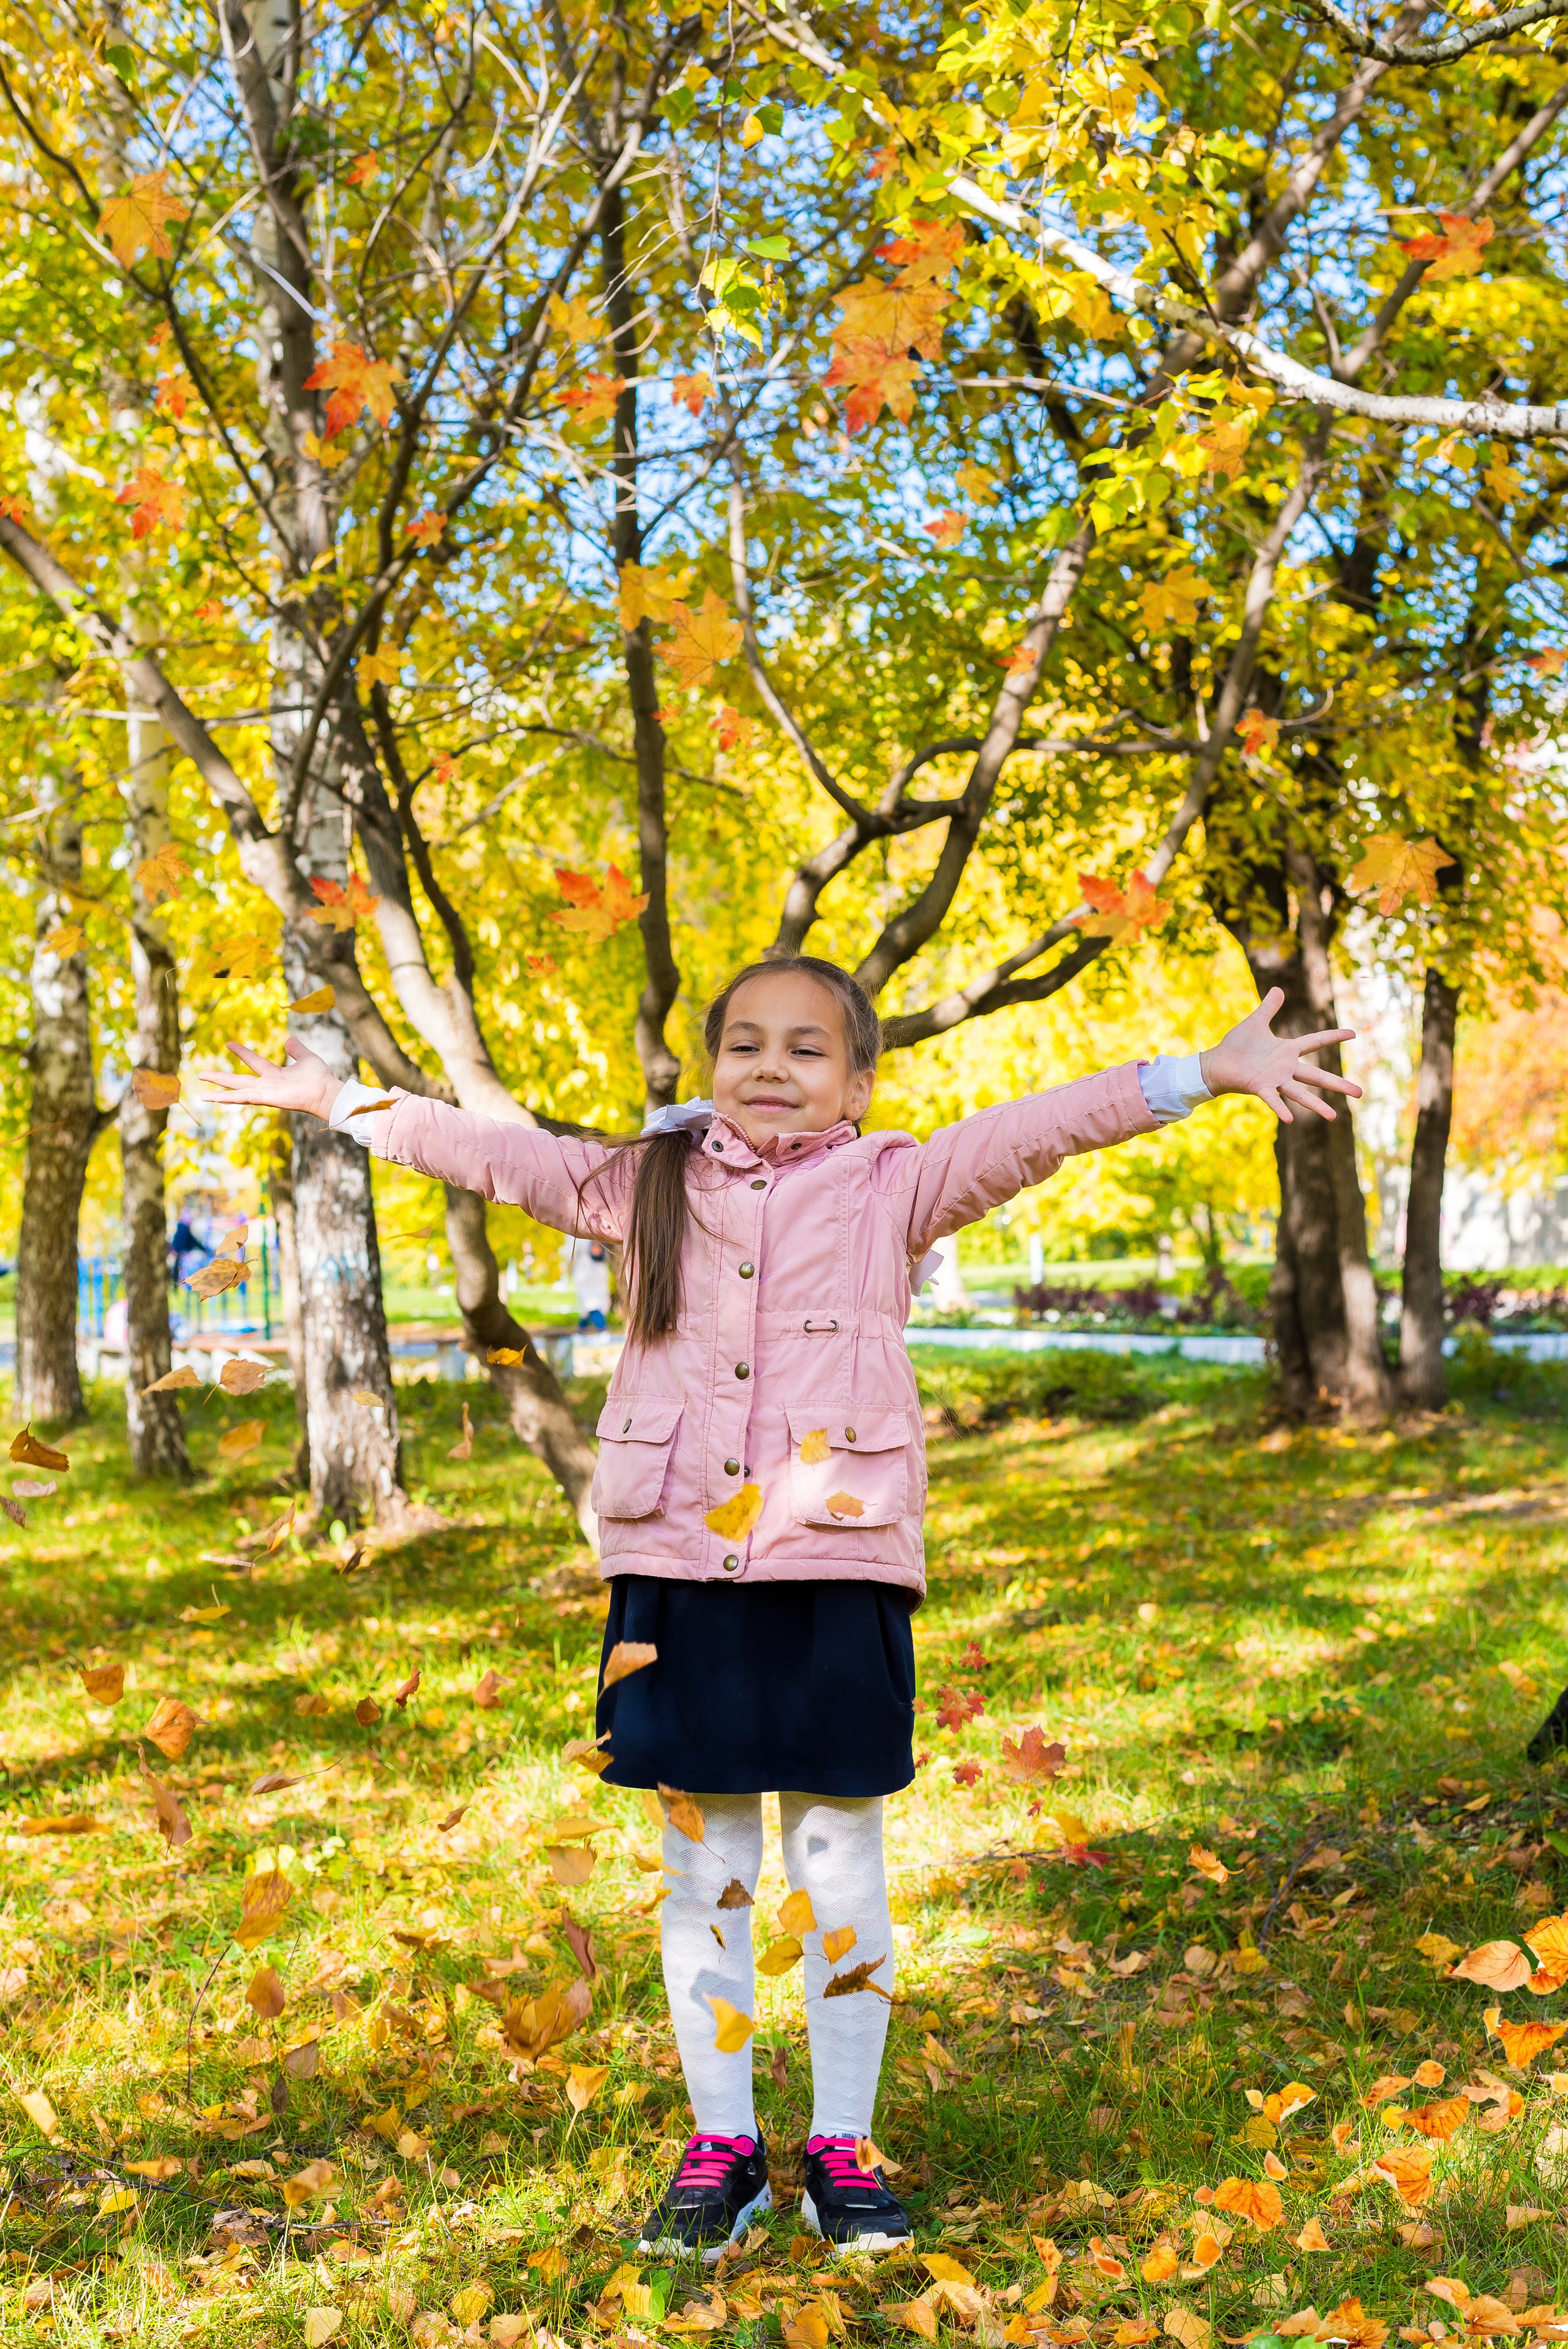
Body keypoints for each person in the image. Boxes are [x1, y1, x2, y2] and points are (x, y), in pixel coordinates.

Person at [202, 957, 1357, 2260]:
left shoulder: (892, 1185)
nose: (769, 1066)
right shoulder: (639, 1185)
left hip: (832, 1559)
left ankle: (844, 2144)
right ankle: (724, 2148)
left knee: (836, 1861)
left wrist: (1197, 1073)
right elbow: (482, 1155)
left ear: (858, 1081)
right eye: (742, 1043)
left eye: (805, 1049)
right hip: (675, 1572)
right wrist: (332, 1099)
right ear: (707, 1067)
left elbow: (1040, 1126)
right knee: (706, 1871)